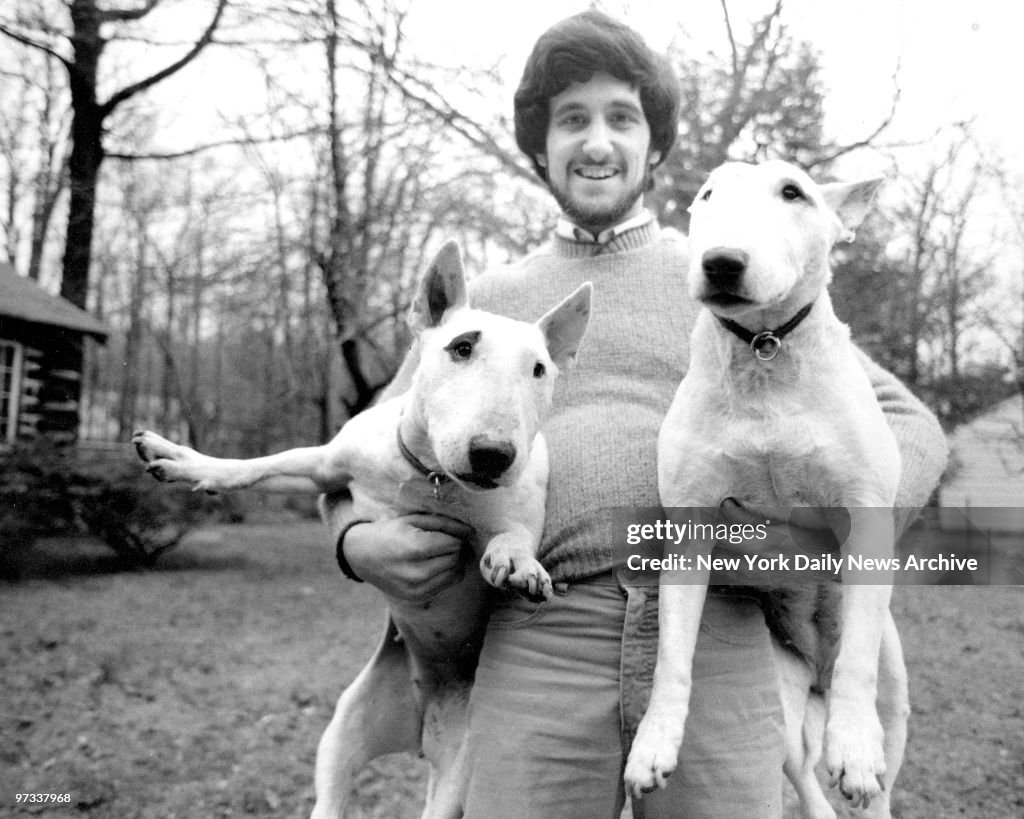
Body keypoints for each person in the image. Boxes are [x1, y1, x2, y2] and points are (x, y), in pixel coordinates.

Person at [336, 11, 947, 818]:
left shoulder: (737, 281)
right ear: (539, 144)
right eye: (571, 120)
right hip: (538, 633)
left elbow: (908, 429)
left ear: (654, 145)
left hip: (718, 628)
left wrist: (808, 540)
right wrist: (355, 539)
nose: (597, 142)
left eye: (622, 118)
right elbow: (368, 447)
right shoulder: (486, 304)